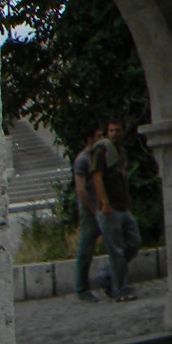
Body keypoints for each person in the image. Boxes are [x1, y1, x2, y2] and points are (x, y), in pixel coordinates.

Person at [91, 116, 142, 303]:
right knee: (116, 251)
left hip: (122, 207)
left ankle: (106, 277)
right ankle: (120, 289)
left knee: (134, 242)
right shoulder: (101, 151)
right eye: (111, 131)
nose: (114, 134)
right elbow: (97, 177)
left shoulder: (122, 153)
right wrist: (104, 202)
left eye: (117, 130)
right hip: (109, 208)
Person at [72, 123, 111, 300]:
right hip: (90, 212)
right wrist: (92, 209)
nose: (101, 139)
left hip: (102, 208)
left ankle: (110, 280)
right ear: (89, 140)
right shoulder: (82, 160)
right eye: (98, 135)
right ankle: (82, 289)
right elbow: (81, 189)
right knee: (86, 250)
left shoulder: (99, 156)